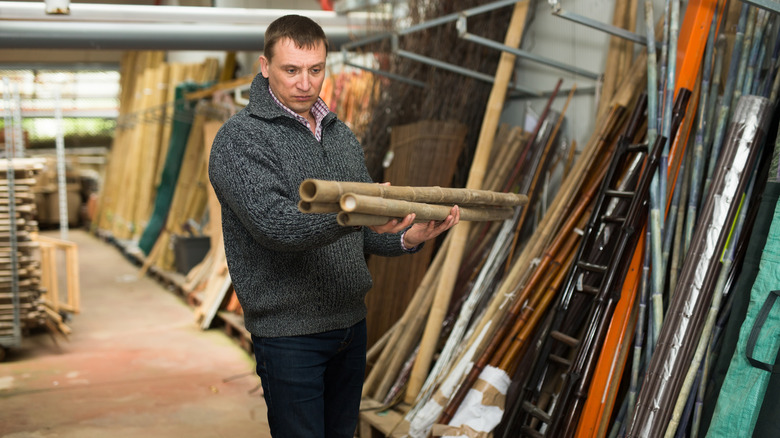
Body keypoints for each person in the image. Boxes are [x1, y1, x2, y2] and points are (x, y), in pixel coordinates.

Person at [208, 14, 459, 438]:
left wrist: (405, 238)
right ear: (264, 66)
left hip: (351, 325)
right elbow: (277, 227)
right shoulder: (240, 140)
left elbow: (356, 234)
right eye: (291, 70)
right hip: (291, 335)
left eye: (316, 69)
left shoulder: (341, 136)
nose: (305, 83)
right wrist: (357, 212)